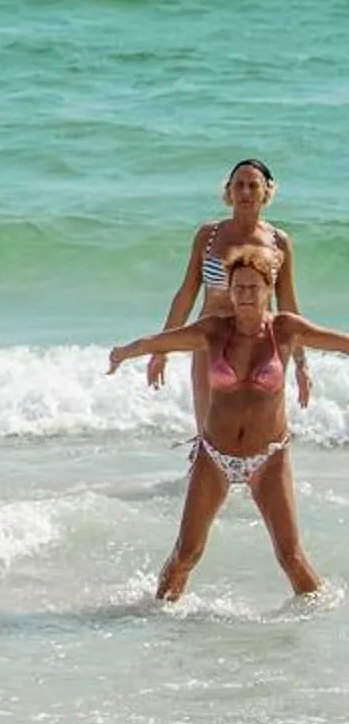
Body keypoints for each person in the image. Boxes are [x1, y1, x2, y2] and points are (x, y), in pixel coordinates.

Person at [107, 241, 348, 601]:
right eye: (239, 288)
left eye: (253, 286)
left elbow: (343, 343)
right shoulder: (214, 330)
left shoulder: (285, 329)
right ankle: (156, 620)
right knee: (186, 553)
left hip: (269, 457)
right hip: (215, 456)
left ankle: (319, 623)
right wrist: (124, 352)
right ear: (230, 292)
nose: (246, 294)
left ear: (268, 288)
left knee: (290, 556)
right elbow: (161, 341)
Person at [146, 157, 308, 428]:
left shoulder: (278, 242)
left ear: (266, 191)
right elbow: (186, 294)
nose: (245, 192)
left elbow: (288, 305)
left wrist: (302, 363)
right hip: (211, 341)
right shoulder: (208, 236)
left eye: (253, 186)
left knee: (256, 433)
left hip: (260, 345)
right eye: (239, 185)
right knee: (209, 431)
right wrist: (161, 349)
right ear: (229, 191)